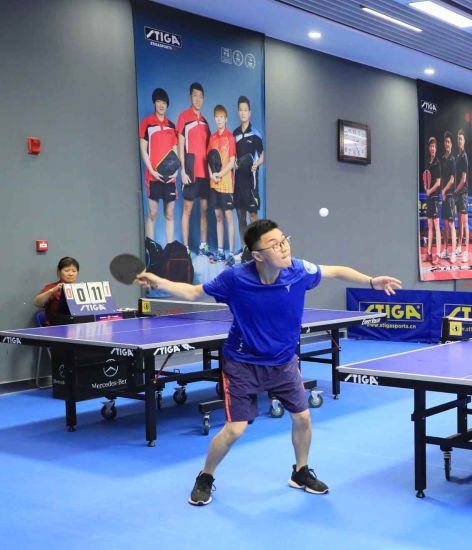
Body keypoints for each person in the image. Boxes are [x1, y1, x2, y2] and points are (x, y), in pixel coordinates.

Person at [134, 219, 402, 505]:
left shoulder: (298, 270)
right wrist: (160, 281)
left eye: (284, 240)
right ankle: (206, 476)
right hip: (242, 363)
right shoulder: (235, 279)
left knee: (303, 418)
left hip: (283, 362)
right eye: (274, 245)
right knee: (235, 429)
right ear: (258, 255)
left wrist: (371, 281)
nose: (283, 247)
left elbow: (335, 270)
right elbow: (194, 292)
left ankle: (300, 472)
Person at [139, 88, 178, 244]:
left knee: (169, 214)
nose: (161, 105)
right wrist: (151, 171)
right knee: (153, 213)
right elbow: (143, 149)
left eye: (164, 103)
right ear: (154, 103)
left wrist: (176, 172)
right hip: (153, 176)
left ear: (167, 105)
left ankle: (170, 249)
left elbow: (175, 151)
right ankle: (151, 249)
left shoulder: (171, 126)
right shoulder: (147, 123)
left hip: (170, 178)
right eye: (158, 102)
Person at [177, 82, 211, 254]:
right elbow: (180, 146)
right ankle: (185, 248)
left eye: (200, 96)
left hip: (205, 174)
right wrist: (182, 171)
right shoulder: (183, 117)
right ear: (190, 97)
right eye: (195, 95)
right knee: (187, 210)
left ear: (203, 99)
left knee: (204, 210)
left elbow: (210, 149)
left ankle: (203, 246)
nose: (198, 99)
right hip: (190, 172)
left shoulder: (205, 122)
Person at [233, 96, 265, 261]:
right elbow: (232, 155)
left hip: (251, 179)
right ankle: (245, 248)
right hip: (238, 179)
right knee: (240, 215)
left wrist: (256, 164)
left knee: (253, 215)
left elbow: (262, 155)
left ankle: (255, 248)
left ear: (250, 112)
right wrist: (234, 163)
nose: (243, 113)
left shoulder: (256, 133)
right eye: (241, 110)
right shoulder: (235, 134)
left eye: (246, 110)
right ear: (238, 112)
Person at [207, 104, 237, 267]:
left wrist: (220, 174)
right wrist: (212, 174)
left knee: (229, 217)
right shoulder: (212, 138)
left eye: (222, 117)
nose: (219, 120)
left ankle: (231, 253)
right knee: (218, 216)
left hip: (226, 184)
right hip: (214, 183)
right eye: (217, 117)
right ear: (214, 119)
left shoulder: (230, 137)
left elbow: (232, 162)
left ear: (226, 119)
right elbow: (209, 160)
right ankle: (220, 251)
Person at [33, 257, 79, 326]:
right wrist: (53, 290)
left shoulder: (80, 289)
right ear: (59, 272)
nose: (70, 274)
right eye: (66, 271)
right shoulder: (52, 287)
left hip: (76, 326)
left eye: (74, 271)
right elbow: (37, 303)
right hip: (55, 327)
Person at [422, 136, 442, 265]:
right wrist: (426, 188)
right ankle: (429, 253)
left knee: (436, 226)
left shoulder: (437, 163)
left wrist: (430, 191)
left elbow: (438, 183)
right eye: (431, 146)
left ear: (436, 148)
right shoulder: (428, 164)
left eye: (434, 146)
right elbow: (426, 179)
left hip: (434, 198)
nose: (433, 148)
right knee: (429, 226)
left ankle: (437, 254)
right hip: (429, 198)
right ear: (429, 148)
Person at [439, 132, 457, 263]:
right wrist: (441, 191)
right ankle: (445, 249)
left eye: (448, 142)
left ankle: (453, 252)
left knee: (451, 225)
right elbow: (442, 178)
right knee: (445, 225)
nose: (447, 144)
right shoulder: (443, 159)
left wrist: (444, 191)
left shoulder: (452, 160)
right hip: (444, 196)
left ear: (451, 144)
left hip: (450, 196)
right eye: (445, 142)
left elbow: (452, 179)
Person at [454, 129, 470, 264]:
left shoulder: (464, 156)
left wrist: (456, 190)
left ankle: (466, 251)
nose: (459, 141)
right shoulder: (458, 156)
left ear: (464, 141)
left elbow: (463, 179)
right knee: (459, 222)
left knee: (465, 223)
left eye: (461, 139)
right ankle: (459, 246)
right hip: (458, 194)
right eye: (458, 139)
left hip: (463, 193)